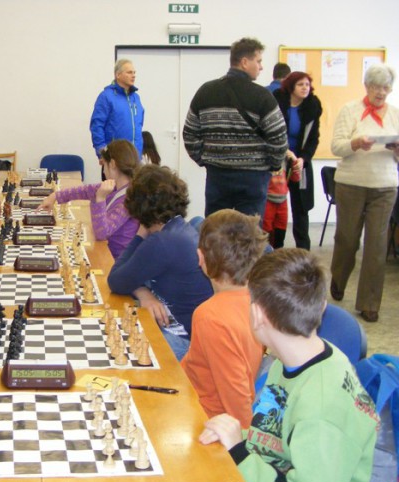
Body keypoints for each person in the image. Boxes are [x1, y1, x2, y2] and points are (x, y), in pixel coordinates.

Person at [200, 248, 378, 482]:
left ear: (257, 314)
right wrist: (236, 438)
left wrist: (239, 453)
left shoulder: (322, 409)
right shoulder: (288, 360)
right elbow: (271, 436)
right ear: (321, 306)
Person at [107, 165, 213, 359]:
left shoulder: (162, 241)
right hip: (193, 333)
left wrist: (140, 233)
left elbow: (115, 280)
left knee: (113, 341)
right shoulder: (178, 229)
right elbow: (129, 276)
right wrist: (143, 292)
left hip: (185, 343)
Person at [183, 37, 288, 218]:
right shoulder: (262, 96)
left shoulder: (206, 92)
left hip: (217, 176)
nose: (261, 67)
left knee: (216, 228)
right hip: (253, 178)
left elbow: (189, 134)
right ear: (245, 62)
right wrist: (272, 164)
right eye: (259, 61)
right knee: (249, 230)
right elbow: (279, 139)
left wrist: (205, 160)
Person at [181, 209, 266, 428]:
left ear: (200, 257)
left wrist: (241, 444)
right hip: (194, 398)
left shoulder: (210, 316)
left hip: (205, 418)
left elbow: (236, 398)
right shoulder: (259, 302)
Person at [330, 63, 399, 323]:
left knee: (376, 246)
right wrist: (356, 143)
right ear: (366, 87)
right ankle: (338, 278)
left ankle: (369, 303)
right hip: (351, 184)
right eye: (375, 86)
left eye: (385, 87)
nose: (380, 92)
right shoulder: (350, 110)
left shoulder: (396, 114)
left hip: (385, 186)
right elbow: (336, 147)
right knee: (347, 240)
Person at [38, 139, 140, 258]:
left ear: (112, 164)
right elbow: (84, 191)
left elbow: (102, 233)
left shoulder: (129, 199)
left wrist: (100, 199)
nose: (103, 170)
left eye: (104, 165)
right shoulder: (114, 186)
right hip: (105, 250)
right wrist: (55, 196)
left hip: (115, 259)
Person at [273, 71, 323, 250]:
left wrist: (304, 159)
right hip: (278, 161)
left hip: (300, 163)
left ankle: (303, 251)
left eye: (307, 85)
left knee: (301, 207)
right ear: (291, 87)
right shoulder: (278, 102)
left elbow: (313, 139)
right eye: (300, 84)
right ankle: (275, 248)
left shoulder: (312, 107)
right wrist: (285, 152)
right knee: (275, 206)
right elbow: (270, 132)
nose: (305, 88)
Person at [90, 59, 145, 165]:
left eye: (134, 72)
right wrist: (102, 153)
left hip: (135, 159)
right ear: (118, 75)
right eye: (129, 72)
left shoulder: (136, 98)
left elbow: (139, 125)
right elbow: (97, 126)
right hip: (114, 158)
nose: (133, 75)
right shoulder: (106, 97)